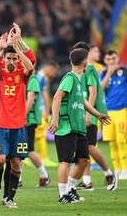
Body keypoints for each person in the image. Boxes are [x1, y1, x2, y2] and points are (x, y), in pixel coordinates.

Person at [48, 48, 111, 204]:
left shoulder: (77, 79)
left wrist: (97, 114)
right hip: (66, 126)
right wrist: (55, 119)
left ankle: (70, 190)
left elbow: (83, 101)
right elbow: (57, 97)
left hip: (78, 127)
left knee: (83, 160)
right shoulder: (69, 78)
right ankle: (63, 195)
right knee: (66, 161)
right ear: (85, 62)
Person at [0, 25, 34, 208]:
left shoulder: (22, 73)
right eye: (8, 57)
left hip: (19, 124)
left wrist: (18, 43)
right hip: (0, 122)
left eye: (14, 58)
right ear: (3, 59)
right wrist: (2, 47)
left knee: (16, 164)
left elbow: (31, 64)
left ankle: (9, 197)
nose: (11, 60)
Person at [71, 42, 116, 191]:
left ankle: (109, 174)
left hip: (90, 112)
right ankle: (87, 181)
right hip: (83, 111)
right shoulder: (83, 69)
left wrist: (88, 114)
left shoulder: (89, 68)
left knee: (89, 146)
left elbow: (93, 91)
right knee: (83, 147)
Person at [100, 50, 127, 180]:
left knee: (122, 140)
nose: (111, 61)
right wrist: (109, 74)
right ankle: (117, 170)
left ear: (117, 59)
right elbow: (100, 90)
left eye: (113, 58)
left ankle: (125, 169)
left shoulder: (125, 72)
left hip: (122, 110)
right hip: (108, 112)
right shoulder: (104, 73)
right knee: (112, 142)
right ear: (105, 61)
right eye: (108, 59)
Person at [25, 65, 51, 187]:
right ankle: (18, 179)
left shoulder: (33, 79)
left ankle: (45, 176)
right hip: (23, 119)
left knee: (28, 150)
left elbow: (30, 101)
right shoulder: (23, 78)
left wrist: (21, 117)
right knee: (19, 149)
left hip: (27, 120)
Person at [35, 60, 59, 167]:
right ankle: (42, 158)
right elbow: (44, 96)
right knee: (40, 136)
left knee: (38, 135)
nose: (53, 75)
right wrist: (46, 111)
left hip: (37, 110)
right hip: (39, 110)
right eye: (54, 72)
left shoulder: (39, 76)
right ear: (50, 68)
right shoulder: (41, 77)